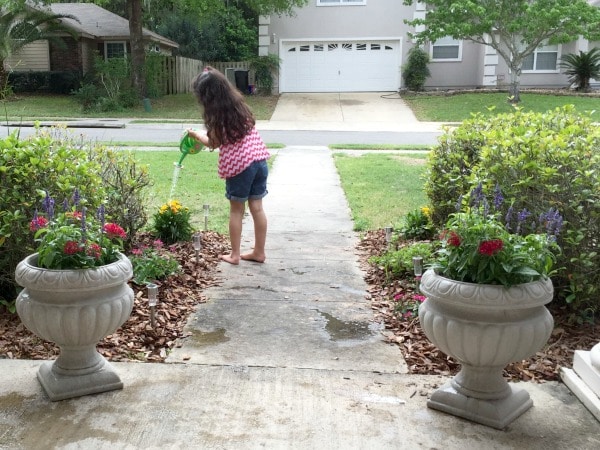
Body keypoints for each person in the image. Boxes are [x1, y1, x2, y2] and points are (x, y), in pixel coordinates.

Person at [187, 66, 270, 265]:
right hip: (259, 160)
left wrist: (196, 134)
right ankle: (259, 252)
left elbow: (212, 143)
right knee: (257, 208)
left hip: (240, 167)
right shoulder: (240, 106)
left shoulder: (218, 117)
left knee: (236, 210)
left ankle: (234, 255)